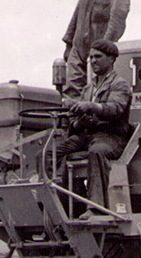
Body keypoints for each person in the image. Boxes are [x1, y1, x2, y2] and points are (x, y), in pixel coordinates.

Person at [56, 39, 131, 212]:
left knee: (96, 152)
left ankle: (95, 208)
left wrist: (90, 106)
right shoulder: (88, 89)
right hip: (87, 136)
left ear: (112, 59)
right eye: (91, 58)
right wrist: (78, 122)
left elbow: (115, 109)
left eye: (98, 56)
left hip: (111, 137)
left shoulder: (120, 85)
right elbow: (75, 122)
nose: (93, 61)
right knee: (49, 153)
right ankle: (61, 206)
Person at [62, 0, 130, 98]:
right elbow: (76, 17)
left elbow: (116, 23)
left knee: (96, 91)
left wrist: (103, 50)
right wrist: (68, 44)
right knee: (72, 89)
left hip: (98, 52)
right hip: (78, 49)